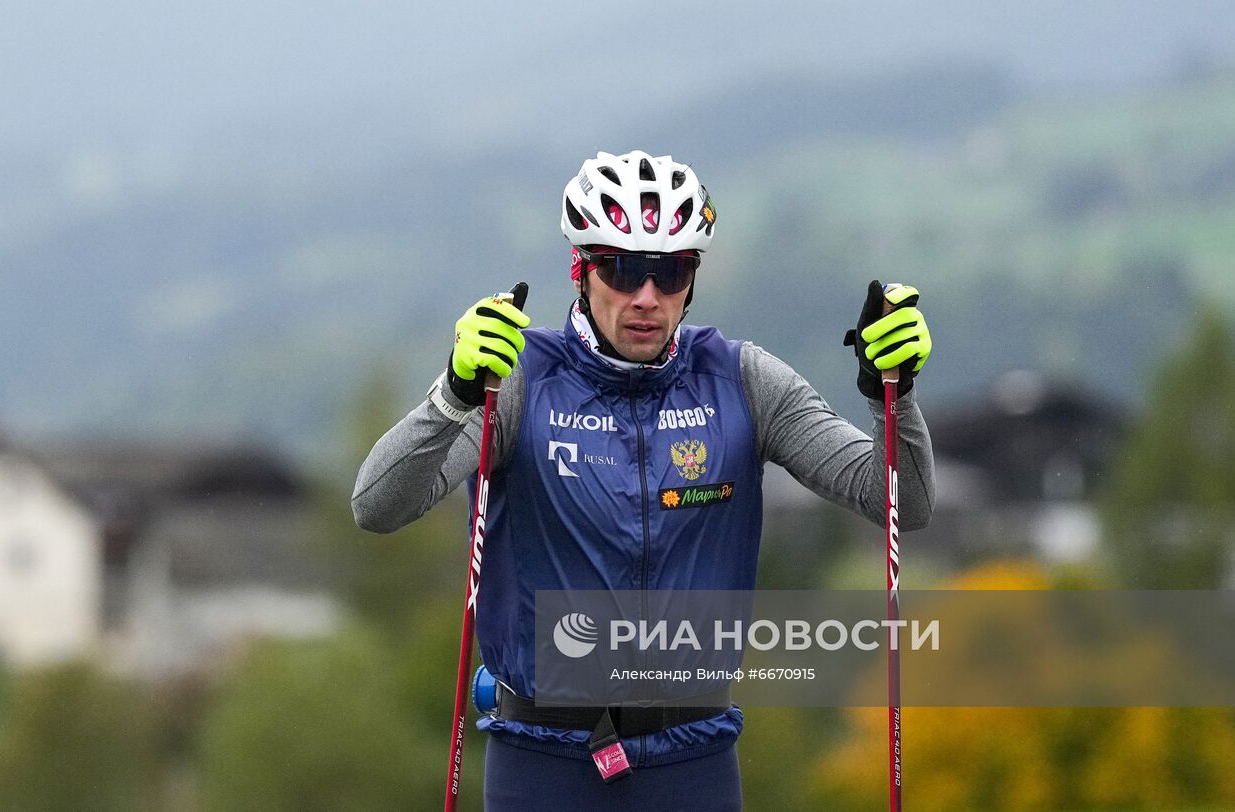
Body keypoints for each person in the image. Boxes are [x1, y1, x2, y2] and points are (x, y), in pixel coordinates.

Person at [352, 149, 935, 811]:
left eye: (670, 271)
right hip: (541, 760)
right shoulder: (518, 382)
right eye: (623, 269)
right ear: (582, 269)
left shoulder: (744, 380)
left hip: (693, 759)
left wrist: (893, 395)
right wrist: (455, 395)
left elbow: (901, 506)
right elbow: (378, 505)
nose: (647, 297)